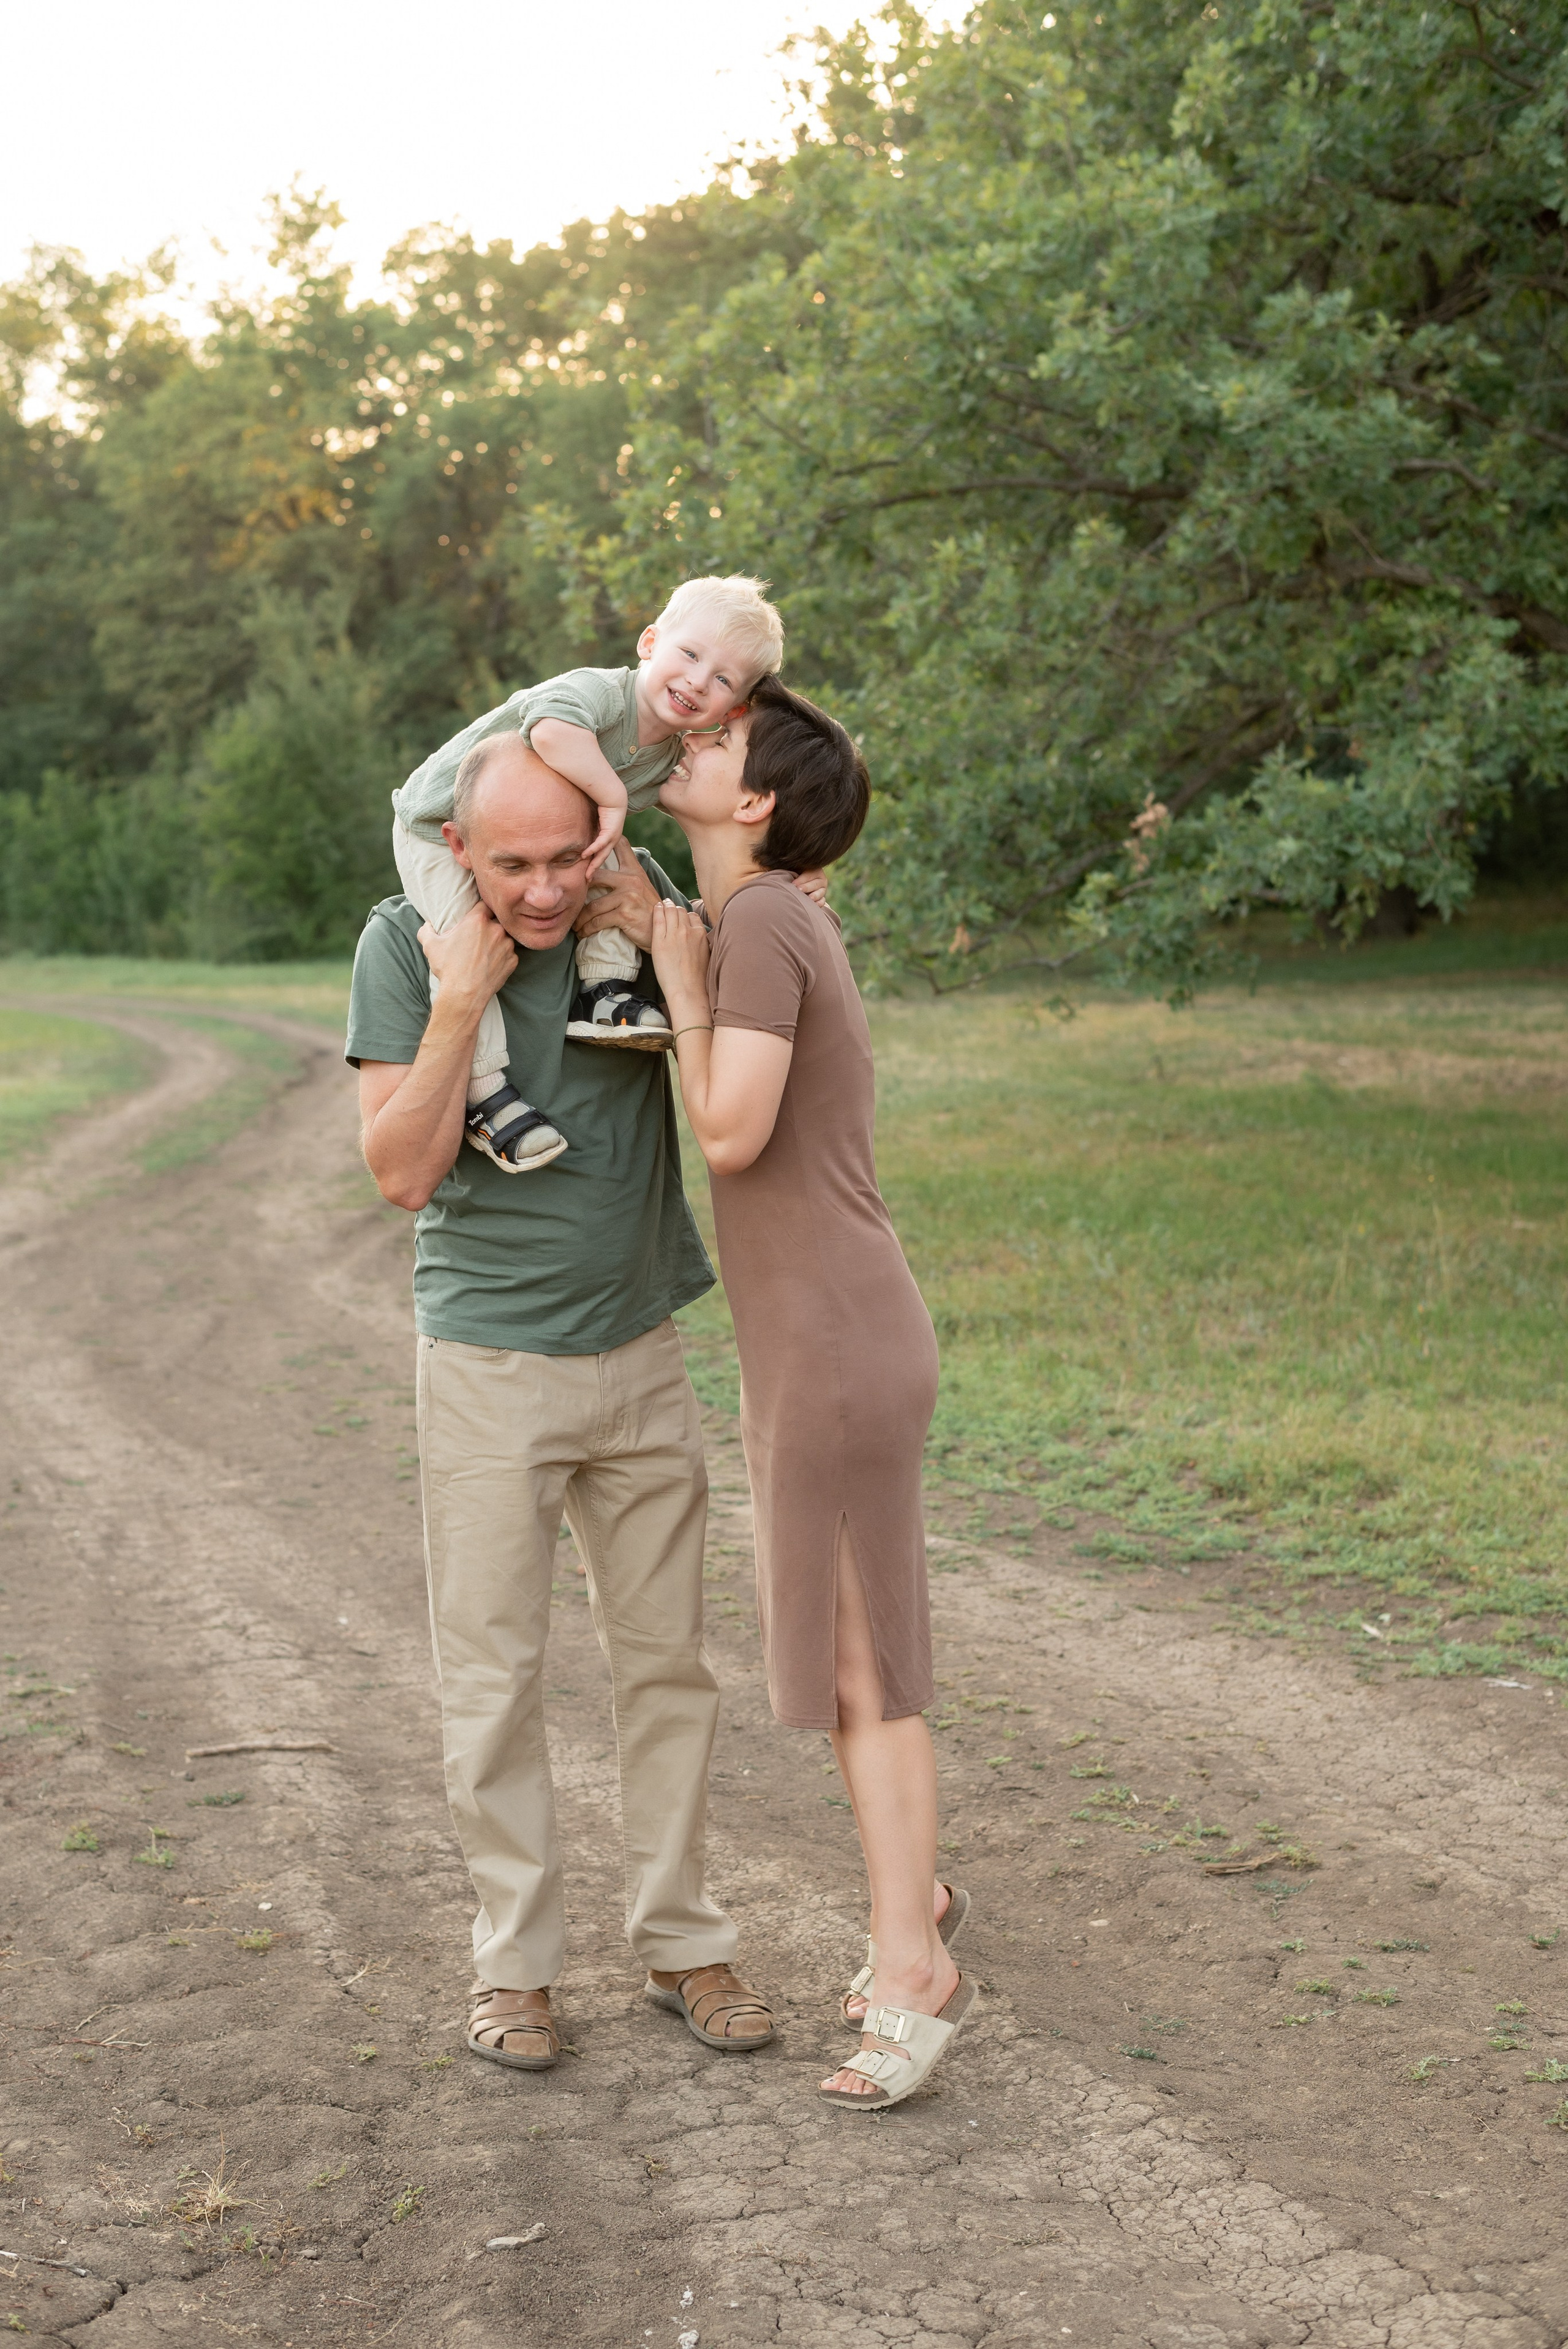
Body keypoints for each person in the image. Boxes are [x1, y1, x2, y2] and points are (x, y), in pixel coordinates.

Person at [347, 730, 775, 2071]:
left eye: (565, 859)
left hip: (640, 1348)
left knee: (668, 1669)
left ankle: (684, 1943)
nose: (542, 892)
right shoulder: (404, 943)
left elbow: (756, 961)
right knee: (495, 1680)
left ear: (602, 835)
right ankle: (514, 1969)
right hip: (486, 1365)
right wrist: (461, 1003)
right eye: (512, 864)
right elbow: (400, 1172)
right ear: (457, 850)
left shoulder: (639, 916)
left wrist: (666, 923)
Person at [644, 673, 976, 2113]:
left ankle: (913, 1965)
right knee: (857, 1657)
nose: (685, 742)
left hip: (837, 1341)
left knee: (865, 1672)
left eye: (712, 740)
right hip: (819, 1339)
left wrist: (671, 979)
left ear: (760, 798)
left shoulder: (766, 915)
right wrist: (666, 936)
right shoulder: (754, 917)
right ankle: (921, 1899)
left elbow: (728, 1130)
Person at [388, 575, 784, 1175]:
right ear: (650, 641)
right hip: (438, 826)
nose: (698, 679)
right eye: (690, 654)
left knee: (617, 863)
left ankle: (604, 992)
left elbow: (737, 807)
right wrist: (611, 798)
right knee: (467, 946)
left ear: (730, 708)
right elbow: (548, 729)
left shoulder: (670, 757)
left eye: (723, 678)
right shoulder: (600, 693)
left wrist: (793, 872)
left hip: (546, 843)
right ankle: (485, 1092)